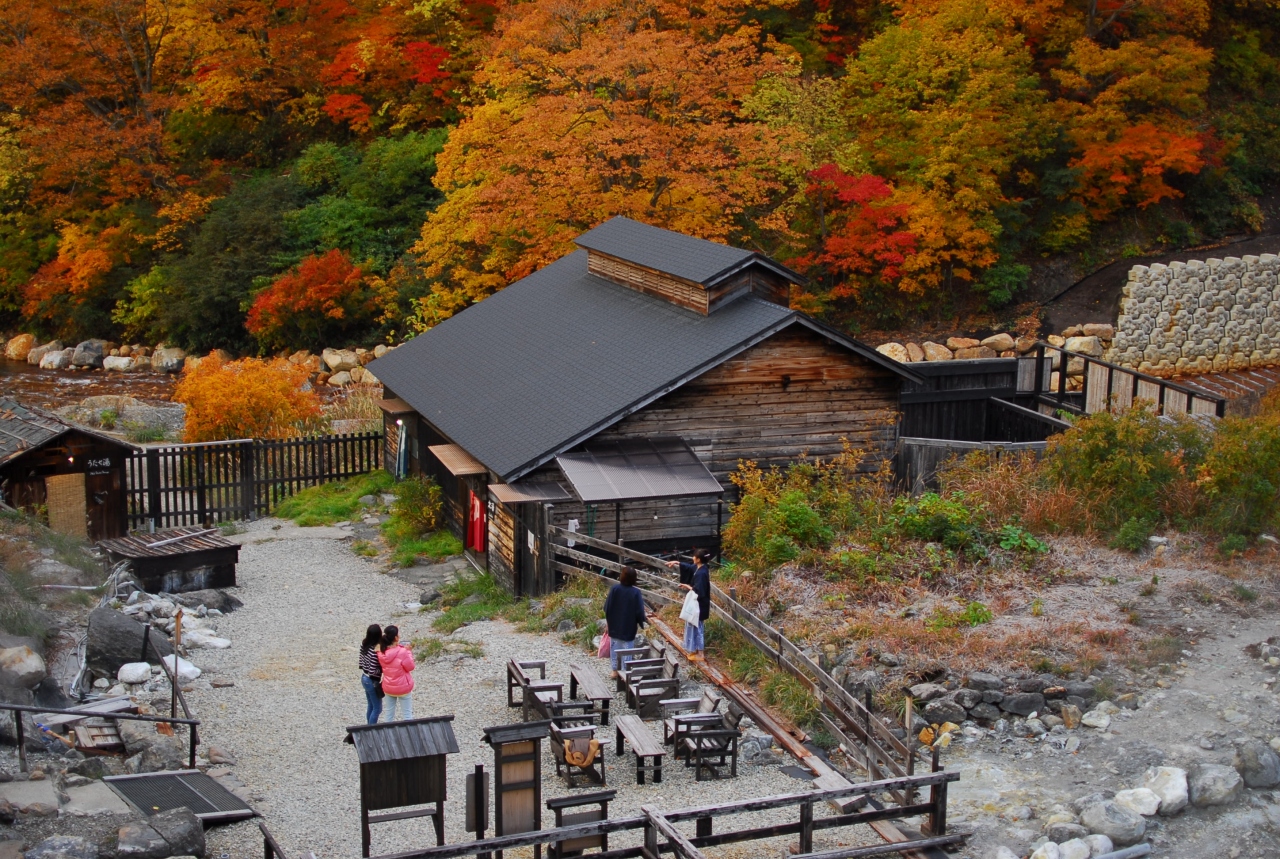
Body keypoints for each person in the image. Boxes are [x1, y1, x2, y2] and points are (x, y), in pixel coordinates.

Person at [666, 549, 712, 660]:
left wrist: (687, 586)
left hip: (700, 605)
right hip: (698, 604)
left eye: (694, 557)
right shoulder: (700, 568)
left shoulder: (701, 573)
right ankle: (696, 650)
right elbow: (690, 568)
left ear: (699, 559)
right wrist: (677, 563)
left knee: (698, 627)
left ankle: (700, 654)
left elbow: (699, 591)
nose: (692, 558)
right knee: (695, 626)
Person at [603, 566, 647, 679]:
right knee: (627, 648)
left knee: (615, 647)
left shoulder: (615, 589)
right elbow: (639, 611)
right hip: (628, 625)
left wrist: (608, 622)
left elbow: (607, 607)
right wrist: (642, 621)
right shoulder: (635, 592)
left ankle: (614, 671)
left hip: (614, 624)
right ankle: (625, 671)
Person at [377, 625, 416, 721]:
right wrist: (409, 652)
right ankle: (410, 734)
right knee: (407, 714)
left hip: (388, 687)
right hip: (403, 687)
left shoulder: (381, 652)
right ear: (396, 637)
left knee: (389, 714)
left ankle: (387, 734)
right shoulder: (402, 652)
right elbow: (410, 667)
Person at [359, 623, 384, 724]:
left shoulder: (364, 644)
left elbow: (361, 661)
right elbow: (374, 669)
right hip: (372, 680)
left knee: (371, 705)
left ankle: (368, 726)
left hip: (364, 677)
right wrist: (382, 670)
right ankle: (371, 729)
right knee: (377, 708)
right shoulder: (375, 650)